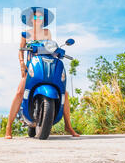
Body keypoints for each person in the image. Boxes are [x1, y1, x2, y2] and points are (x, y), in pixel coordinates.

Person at [5, 7, 80, 139]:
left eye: (40, 17)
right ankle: (8, 128)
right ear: (31, 19)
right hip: (31, 66)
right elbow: (20, 50)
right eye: (35, 17)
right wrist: (22, 63)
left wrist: (58, 51)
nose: (38, 19)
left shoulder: (47, 32)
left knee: (65, 94)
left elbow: (50, 47)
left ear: (43, 20)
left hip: (46, 63)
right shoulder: (25, 33)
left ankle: (68, 126)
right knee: (20, 92)